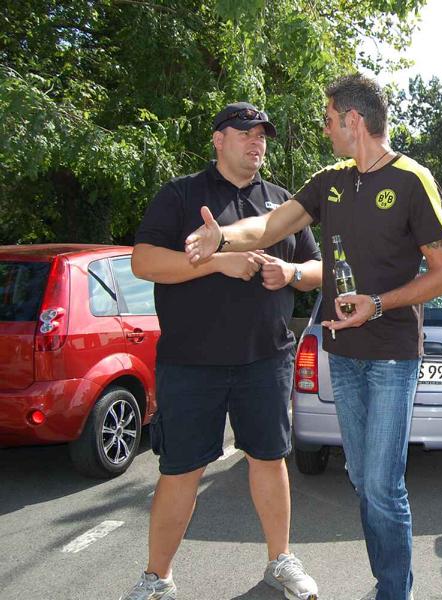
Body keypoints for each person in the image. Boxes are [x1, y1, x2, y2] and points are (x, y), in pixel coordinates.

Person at [184, 75, 442, 600]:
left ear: (354, 121)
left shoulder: (411, 179)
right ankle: (390, 581)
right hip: (343, 353)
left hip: (391, 357)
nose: (325, 129)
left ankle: (394, 591)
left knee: (382, 486)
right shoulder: (330, 179)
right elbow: (269, 226)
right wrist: (223, 235)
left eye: (329, 120)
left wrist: (378, 303)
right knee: (363, 478)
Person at [120, 103, 323, 600]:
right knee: (181, 470)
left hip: (265, 359)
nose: (257, 142)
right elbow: (143, 261)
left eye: (262, 135)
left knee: (269, 460)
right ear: (218, 139)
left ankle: (280, 560)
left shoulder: (282, 204)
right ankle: (157, 578)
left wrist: (291, 273)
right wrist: (214, 263)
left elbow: (319, 269)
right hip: (191, 362)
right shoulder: (181, 194)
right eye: (245, 132)